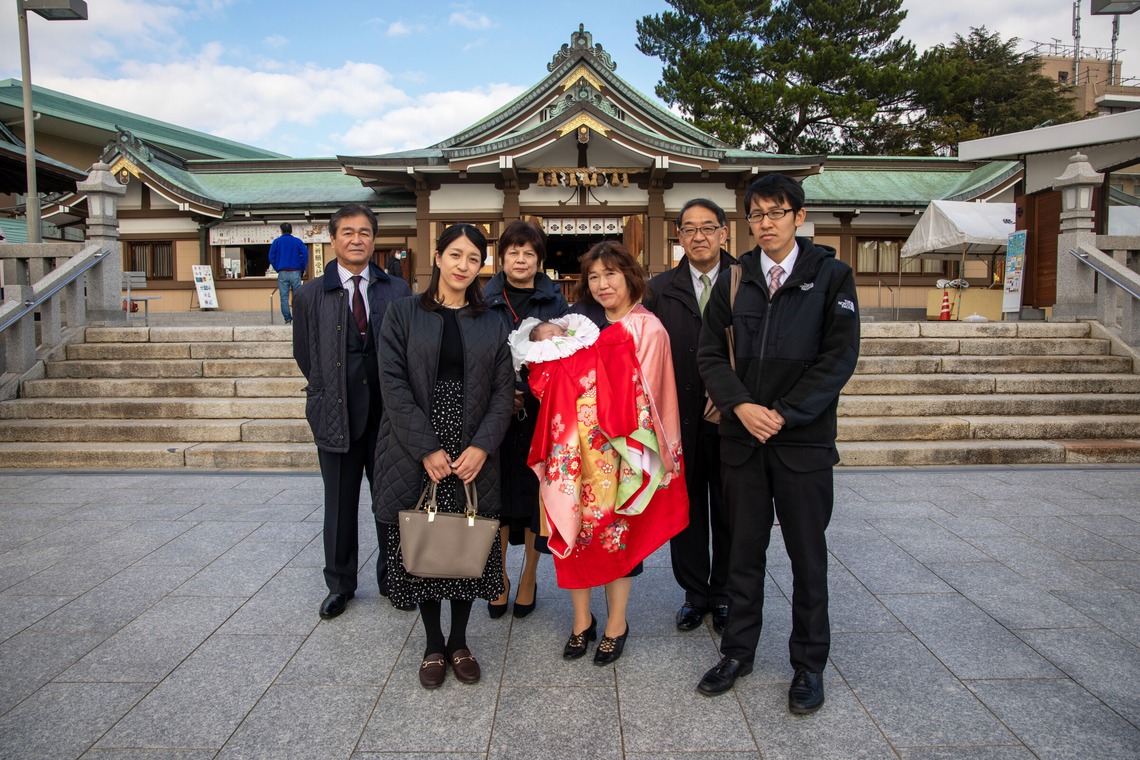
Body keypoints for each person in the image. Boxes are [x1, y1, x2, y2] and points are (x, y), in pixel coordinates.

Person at [696, 174, 860, 713]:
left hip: (803, 444)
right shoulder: (735, 278)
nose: (765, 223)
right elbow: (709, 354)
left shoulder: (831, 276)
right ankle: (737, 652)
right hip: (742, 442)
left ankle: (809, 665)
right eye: (757, 214)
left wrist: (784, 415)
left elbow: (837, 359)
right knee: (742, 552)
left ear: (799, 216)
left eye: (776, 212)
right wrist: (741, 406)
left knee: (807, 557)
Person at [531, 241, 688, 666]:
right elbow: (547, 369)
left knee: (618, 537)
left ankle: (617, 622)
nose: (602, 285)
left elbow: (655, 396)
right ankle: (581, 621)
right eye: (594, 277)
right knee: (575, 533)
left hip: (622, 452)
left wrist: (650, 458)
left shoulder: (648, 328)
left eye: (610, 275)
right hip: (573, 452)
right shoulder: (580, 323)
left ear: (630, 276)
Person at [372, 223, 515, 690]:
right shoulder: (403, 313)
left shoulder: (492, 320)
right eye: (455, 255)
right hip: (417, 440)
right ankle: (434, 643)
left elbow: (502, 391)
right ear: (437, 256)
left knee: (465, 545)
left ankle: (459, 641)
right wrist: (426, 447)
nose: (463, 266)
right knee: (426, 542)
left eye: (473, 259)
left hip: (473, 443)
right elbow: (391, 384)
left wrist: (482, 446)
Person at [292, 203, 411, 620]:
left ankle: (394, 577)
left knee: (392, 501)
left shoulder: (396, 289)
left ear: (374, 240)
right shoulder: (310, 294)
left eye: (364, 232)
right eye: (347, 232)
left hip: (388, 417)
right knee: (339, 504)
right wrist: (329, 390)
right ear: (333, 239)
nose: (356, 239)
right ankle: (340, 585)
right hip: (335, 414)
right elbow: (305, 355)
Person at [646, 198, 736, 635]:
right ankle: (694, 594)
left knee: (731, 508)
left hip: (734, 418)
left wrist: (731, 395)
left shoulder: (747, 280)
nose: (698, 236)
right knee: (687, 509)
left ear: (724, 233)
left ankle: (724, 594)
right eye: (689, 229)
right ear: (678, 236)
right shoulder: (661, 288)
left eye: (708, 227)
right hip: (676, 418)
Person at [482, 221, 569, 619]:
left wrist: (534, 386)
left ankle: (530, 576)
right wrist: (500, 390)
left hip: (540, 413)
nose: (521, 259)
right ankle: (497, 575)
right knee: (497, 496)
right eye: (514, 252)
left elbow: (569, 356)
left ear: (539, 260)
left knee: (535, 497)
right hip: (493, 413)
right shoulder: (483, 298)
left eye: (529, 253)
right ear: (501, 257)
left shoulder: (555, 303)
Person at [269, 222, 309, 324]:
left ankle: (287, 318)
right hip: (296, 272)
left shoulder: (277, 242)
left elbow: (271, 256)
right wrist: (302, 268)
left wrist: (277, 267)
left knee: (284, 297)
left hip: (282, 272)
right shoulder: (297, 241)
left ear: (281, 230)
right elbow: (305, 254)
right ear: (291, 230)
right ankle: (298, 317)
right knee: (298, 296)